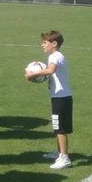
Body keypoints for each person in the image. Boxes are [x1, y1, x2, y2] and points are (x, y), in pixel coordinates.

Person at [25, 30, 73, 170]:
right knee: (57, 126)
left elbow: (50, 70)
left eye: (45, 42)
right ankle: (59, 152)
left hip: (61, 98)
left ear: (54, 43)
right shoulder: (56, 56)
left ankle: (64, 158)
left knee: (60, 128)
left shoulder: (55, 57)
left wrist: (32, 74)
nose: (42, 45)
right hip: (60, 97)